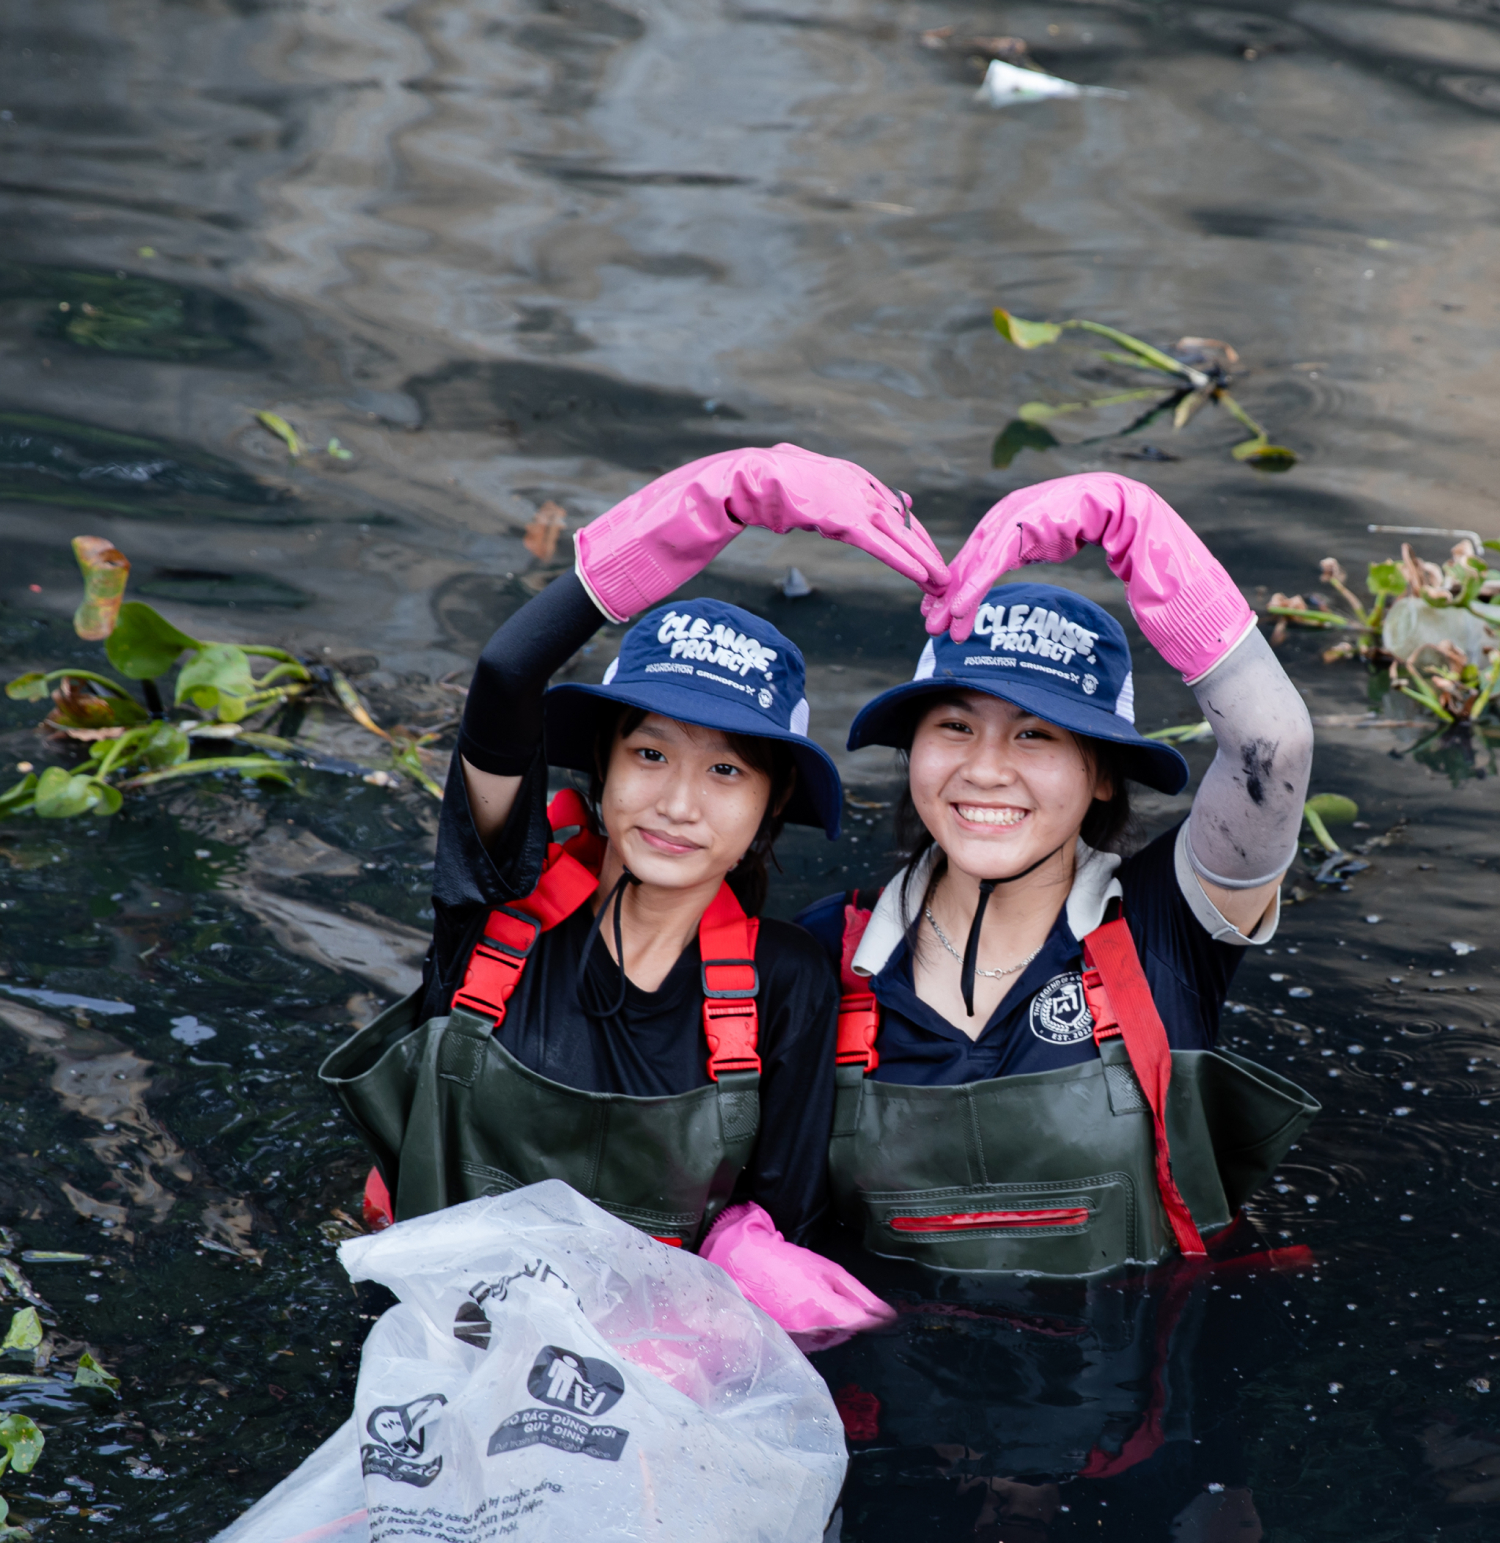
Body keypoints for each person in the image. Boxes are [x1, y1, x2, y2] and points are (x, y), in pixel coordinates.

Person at [320, 444, 948, 1253]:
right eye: (650, 755)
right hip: (435, 1343)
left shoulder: (785, 984)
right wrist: (718, 498)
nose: (678, 804)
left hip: (656, 1365)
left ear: (771, 804)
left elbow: (787, 1231)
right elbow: (508, 673)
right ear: (605, 768)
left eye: (725, 770)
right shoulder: (498, 900)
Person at [797, 473, 1320, 1276]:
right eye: (955, 726)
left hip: (1125, 1387)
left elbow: (1273, 746)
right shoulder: (826, 951)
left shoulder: (1164, 926)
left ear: (1104, 776)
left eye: (1035, 736)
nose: (985, 770)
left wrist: (1133, 519)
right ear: (913, 752)